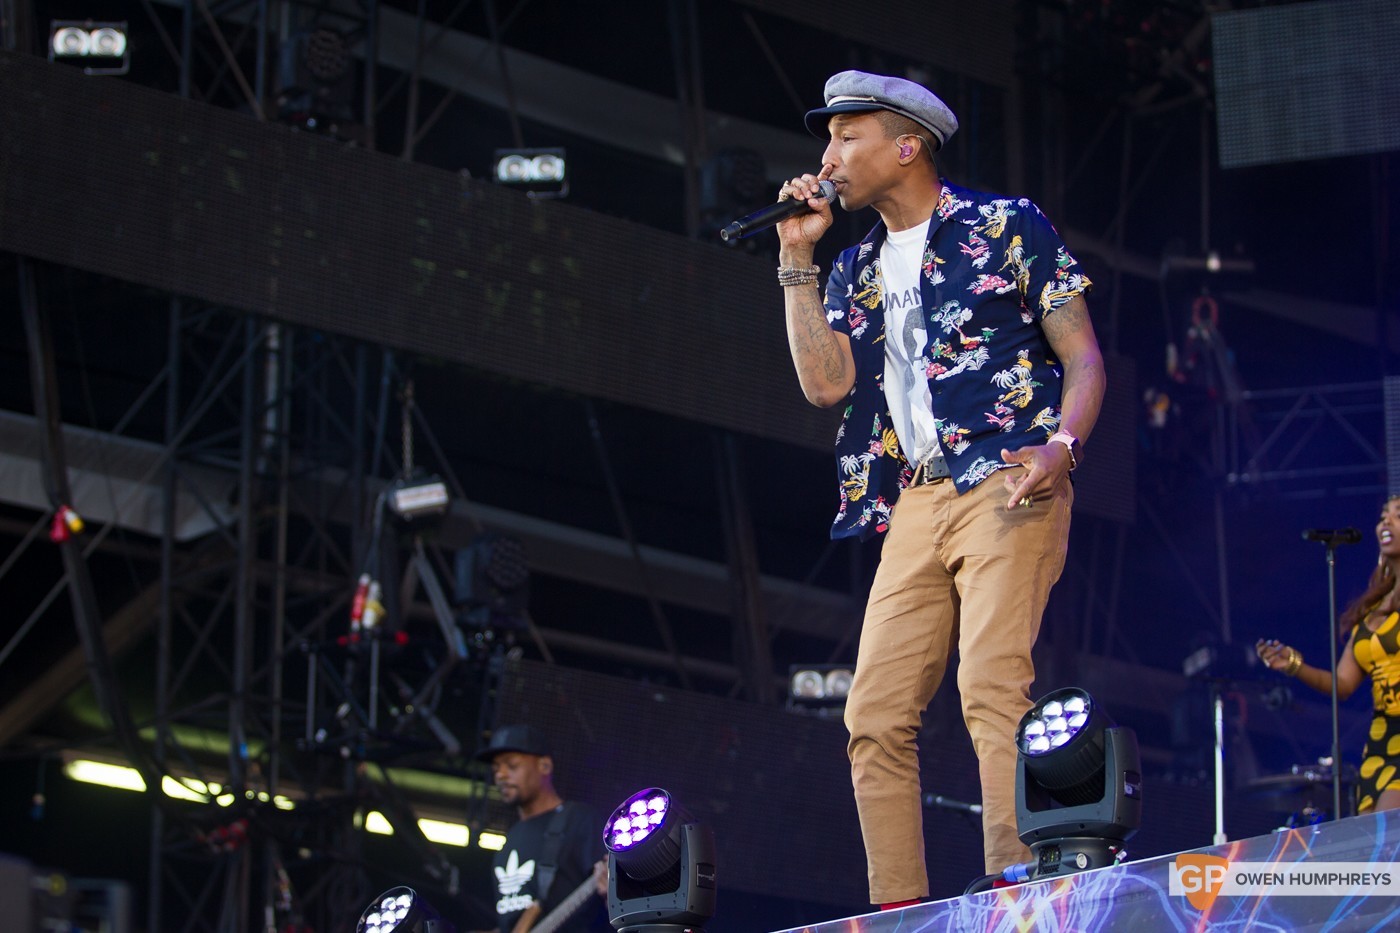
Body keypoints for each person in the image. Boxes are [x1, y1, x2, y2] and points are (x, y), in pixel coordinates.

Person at [775, 70, 1105, 906]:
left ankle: (1013, 885)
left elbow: (1085, 357)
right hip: (917, 496)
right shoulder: (852, 266)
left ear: (907, 145)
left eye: (849, 136)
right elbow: (824, 386)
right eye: (830, 138)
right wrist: (796, 259)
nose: (830, 156)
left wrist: (1063, 445)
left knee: (990, 681)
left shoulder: (1005, 225)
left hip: (1009, 474)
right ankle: (897, 910)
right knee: (873, 711)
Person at [1257, 495, 1400, 815]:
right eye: (1382, 516)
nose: (1385, 522)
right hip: (1379, 746)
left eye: (1398, 515)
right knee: (1376, 847)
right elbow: (1343, 683)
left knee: (1390, 832)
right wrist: (1294, 665)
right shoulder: (1374, 608)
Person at [476, 725, 608, 933]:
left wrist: (611, 891)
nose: (500, 775)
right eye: (495, 769)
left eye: (511, 765)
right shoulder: (508, 843)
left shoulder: (580, 820)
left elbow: (610, 890)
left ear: (544, 766)